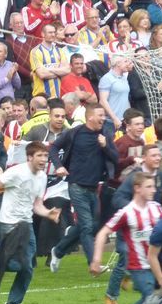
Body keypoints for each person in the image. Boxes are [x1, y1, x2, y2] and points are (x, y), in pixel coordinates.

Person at [0, 141, 61, 304]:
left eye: (45, 156)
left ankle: (13, 302)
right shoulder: (16, 172)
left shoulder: (42, 177)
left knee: (28, 267)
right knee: (22, 264)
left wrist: (48, 213)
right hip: (9, 223)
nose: (44, 160)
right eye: (40, 156)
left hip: (26, 223)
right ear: (29, 157)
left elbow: (37, 204)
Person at [92, 173, 162, 304]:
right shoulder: (127, 212)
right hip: (138, 266)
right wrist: (97, 259)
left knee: (161, 298)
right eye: (149, 187)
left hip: (159, 263)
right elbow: (103, 233)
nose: (154, 190)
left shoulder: (157, 208)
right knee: (151, 299)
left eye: (154, 186)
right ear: (137, 189)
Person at [49, 105, 118, 273]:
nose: (104, 118)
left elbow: (115, 158)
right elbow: (53, 147)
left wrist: (105, 146)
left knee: (91, 226)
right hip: (76, 185)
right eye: (100, 115)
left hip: (94, 187)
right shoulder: (75, 132)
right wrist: (58, 166)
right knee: (87, 227)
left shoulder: (105, 135)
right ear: (90, 118)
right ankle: (94, 264)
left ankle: (58, 250)